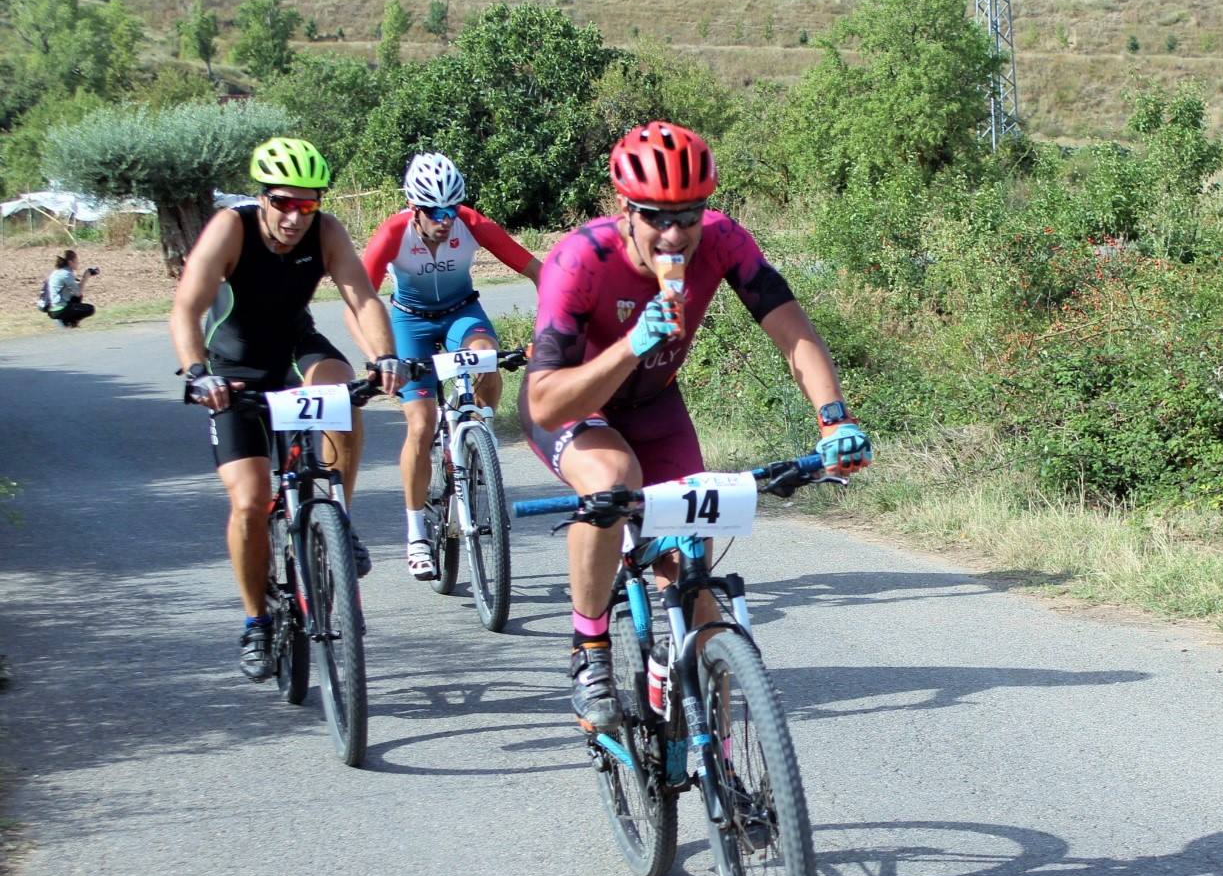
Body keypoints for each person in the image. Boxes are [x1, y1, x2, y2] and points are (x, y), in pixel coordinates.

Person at [520, 120, 874, 735]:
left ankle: (724, 773)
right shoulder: (581, 260)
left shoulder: (723, 242)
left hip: (656, 408)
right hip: (579, 403)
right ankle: (590, 650)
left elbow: (792, 329)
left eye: (689, 214)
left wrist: (834, 419)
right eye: (656, 216)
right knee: (611, 477)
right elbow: (547, 401)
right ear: (622, 209)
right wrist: (631, 345)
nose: (675, 234)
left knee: (694, 584)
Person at [169, 137, 405, 681]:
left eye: (308, 203)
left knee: (341, 395)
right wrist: (196, 371)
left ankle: (336, 518)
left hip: (297, 352)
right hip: (233, 371)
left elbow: (362, 297)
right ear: (262, 198)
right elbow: (188, 306)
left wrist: (385, 356)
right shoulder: (231, 228)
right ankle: (256, 621)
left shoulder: (326, 232)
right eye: (283, 202)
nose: (295, 216)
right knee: (250, 503)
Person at [360, 151, 542, 580]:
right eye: (435, 212)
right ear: (415, 210)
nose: (446, 220)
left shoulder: (471, 223)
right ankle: (416, 533)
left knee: (490, 364)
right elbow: (360, 295)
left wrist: (553, 328)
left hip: (462, 312)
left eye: (452, 209)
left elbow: (538, 269)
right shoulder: (393, 232)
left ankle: (479, 434)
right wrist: (377, 354)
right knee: (421, 425)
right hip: (410, 322)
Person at [45, 250, 97, 327]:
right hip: (59, 309)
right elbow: (78, 292)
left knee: (76, 299)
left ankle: (70, 323)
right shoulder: (66, 274)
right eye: (76, 261)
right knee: (90, 309)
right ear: (70, 262)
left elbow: (76, 293)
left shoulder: (57, 272)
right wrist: (86, 276)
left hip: (53, 307)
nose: (78, 263)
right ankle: (65, 322)